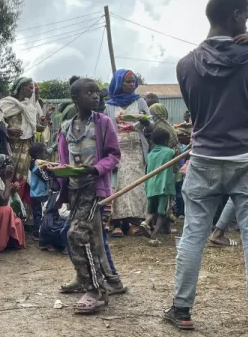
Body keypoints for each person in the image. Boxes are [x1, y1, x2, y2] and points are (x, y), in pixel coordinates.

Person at [168, 0, 248, 337]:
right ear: (236, 15)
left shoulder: (184, 64)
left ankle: (181, 309)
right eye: (247, 16)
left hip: (204, 159)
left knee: (193, 233)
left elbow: (196, 109)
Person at [56, 78, 123, 314]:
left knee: (77, 233)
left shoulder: (103, 123)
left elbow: (114, 155)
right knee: (86, 237)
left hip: (94, 189)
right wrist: (58, 180)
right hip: (74, 189)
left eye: (97, 92)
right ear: (75, 99)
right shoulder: (66, 127)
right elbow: (63, 160)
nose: (95, 96)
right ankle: (84, 277)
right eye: (89, 93)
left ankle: (96, 290)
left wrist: (96, 169)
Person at [104, 69, 152, 237]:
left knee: (136, 184)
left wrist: (141, 122)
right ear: (118, 83)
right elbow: (105, 128)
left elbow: (150, 123)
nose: (132, 85)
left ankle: (134, 222)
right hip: (117, 150)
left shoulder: (140, 102)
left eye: (133, 82)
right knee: (118, 184)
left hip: (135, 149)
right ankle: (116, 223)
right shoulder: (109, 105)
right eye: (128, 82)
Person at [0, 77, 42, 195]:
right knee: (8, 173)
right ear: (23, 87)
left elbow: (34, 127)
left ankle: (22, 208)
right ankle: (9, 202)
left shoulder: (29, 107)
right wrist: (8, 129)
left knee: (23, 176)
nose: (32, 91)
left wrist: (42, 123)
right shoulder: (6, 103)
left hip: (26, 146)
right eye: (30, 88)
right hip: (10, 146)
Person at [143, 129, 176, 246]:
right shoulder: (169, 152)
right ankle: (154, 236)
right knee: (162, 212)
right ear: (167, 140)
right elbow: (175, 162)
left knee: (153, 210)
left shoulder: (150, 154)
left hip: (151, 186)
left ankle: (147, 222)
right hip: (163, 186)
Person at [28, 143, 50, 241]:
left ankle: (37, 233)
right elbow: (46, 178)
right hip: (40, 194)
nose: (46, 155)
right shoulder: (38, 167)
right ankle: (37, 234)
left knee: (37, 215)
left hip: (35, 194)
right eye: (44, 153)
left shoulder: (33, 165)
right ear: (37, 155)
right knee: (40, 215)